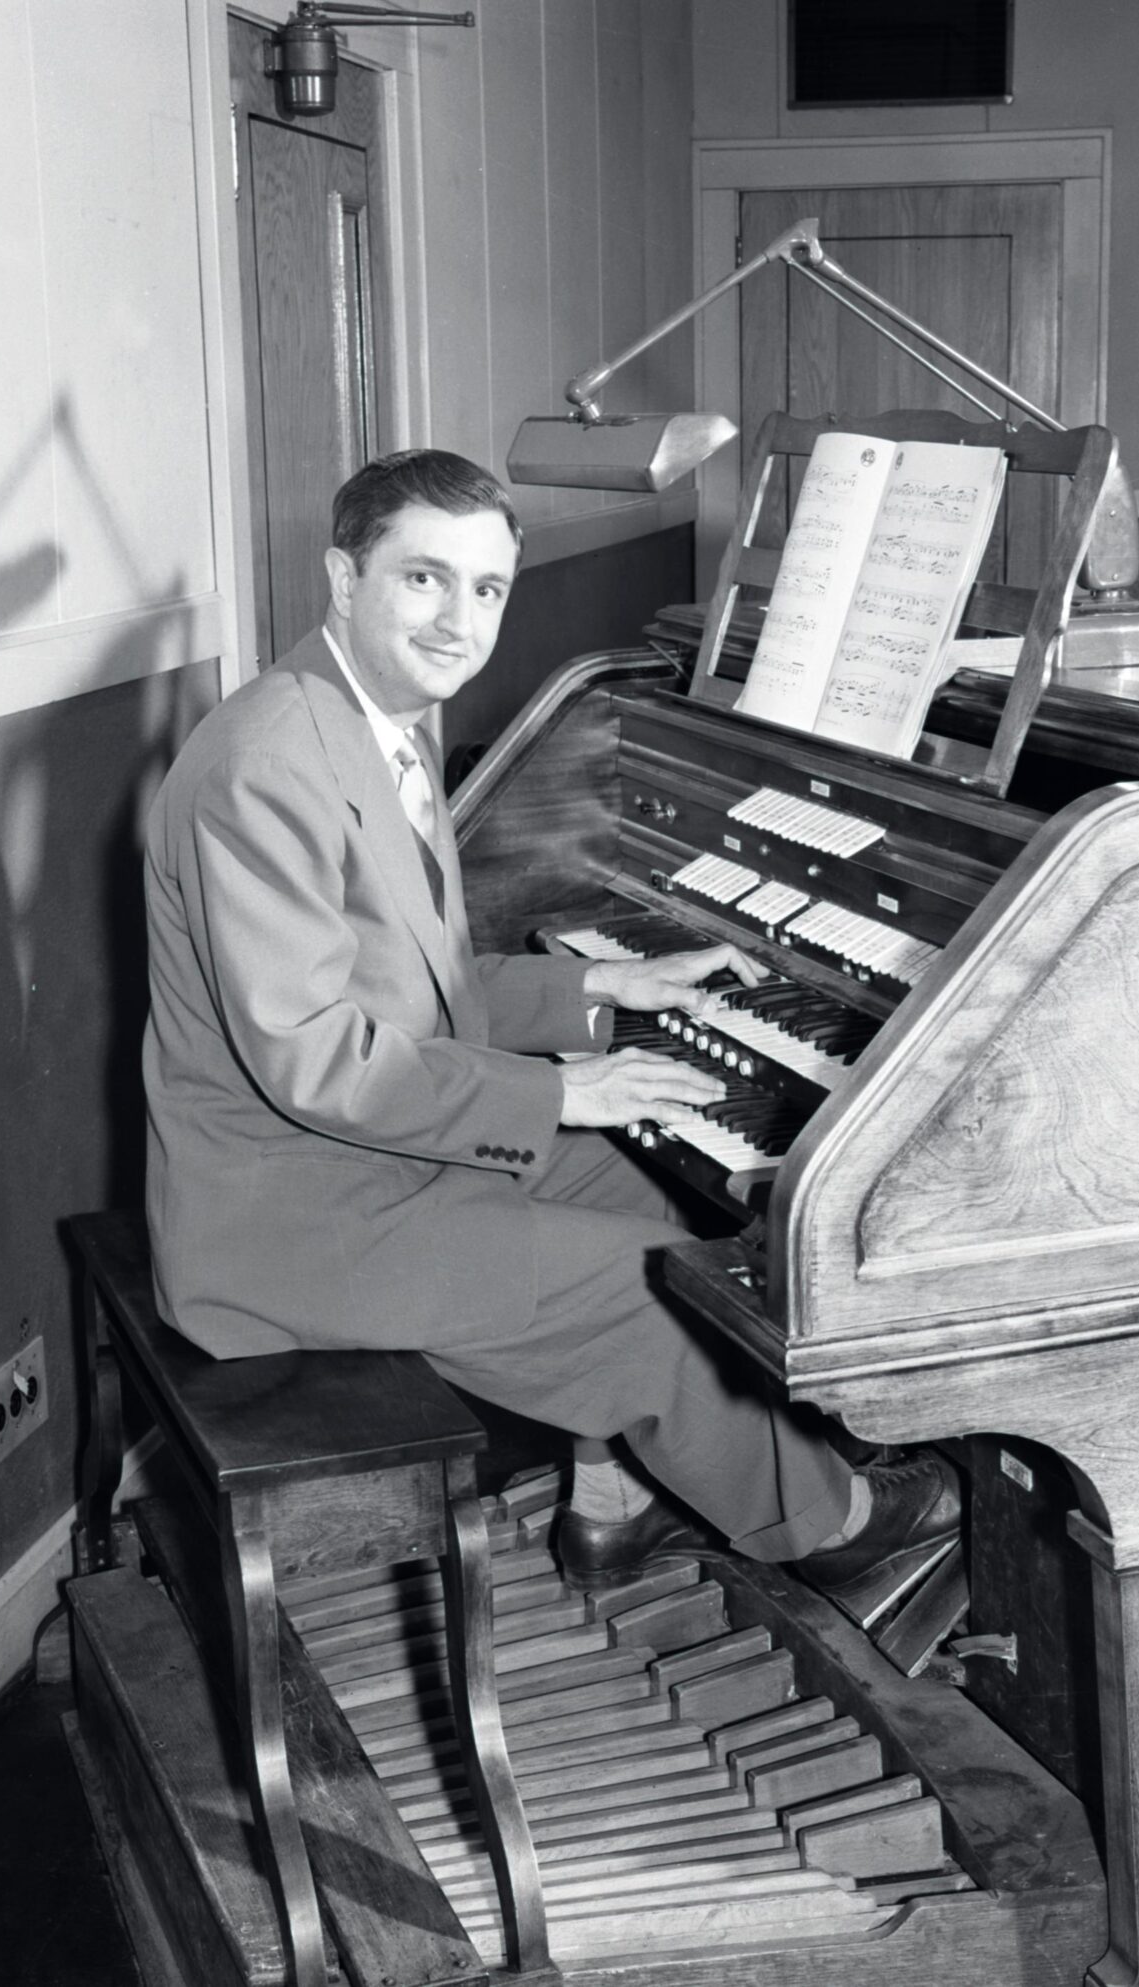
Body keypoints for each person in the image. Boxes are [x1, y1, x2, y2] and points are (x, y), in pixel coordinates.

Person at [140, 448, 957, 1602]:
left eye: (484, 590)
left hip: (370, 1154)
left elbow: (402, 981)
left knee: (667, 1197)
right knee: (649, 1286)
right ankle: (834, 1526)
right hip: (296, 1211)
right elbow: (314, 1057)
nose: (457, 621)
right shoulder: (266, 765)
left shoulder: (375, 709)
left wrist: (599, 995)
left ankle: (614, 1499)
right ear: (342, 577)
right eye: (423, 579)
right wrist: (566, 1090)